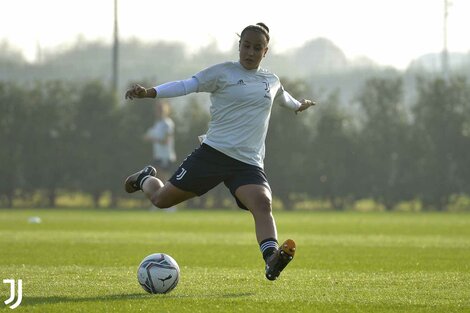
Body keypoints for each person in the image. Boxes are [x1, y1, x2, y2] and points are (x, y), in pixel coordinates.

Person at [124, 23, 316, 281]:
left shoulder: (270, 80)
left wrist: (299, 105)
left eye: (257, 48)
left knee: (262, 203)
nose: (250, 52)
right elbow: (186, 85)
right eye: (246, 46)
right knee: (160, 200)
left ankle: (271, 258)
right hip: (213, 154)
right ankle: (145, 178)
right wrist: (150, 92)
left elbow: (284, 98)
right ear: (239, 46)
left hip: (247, 163)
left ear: (265, 51)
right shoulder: (222, 73)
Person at [144, 100, 176, 183]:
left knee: (164, 180)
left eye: (161, 109)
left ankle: (167, 196)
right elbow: (147, 136)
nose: (158, 111)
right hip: (158, 156)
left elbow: (166, 141)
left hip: (165, 157)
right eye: (157, 109)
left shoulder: (167, 123)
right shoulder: (157, 124)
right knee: (157, 179)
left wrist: (152, 138)